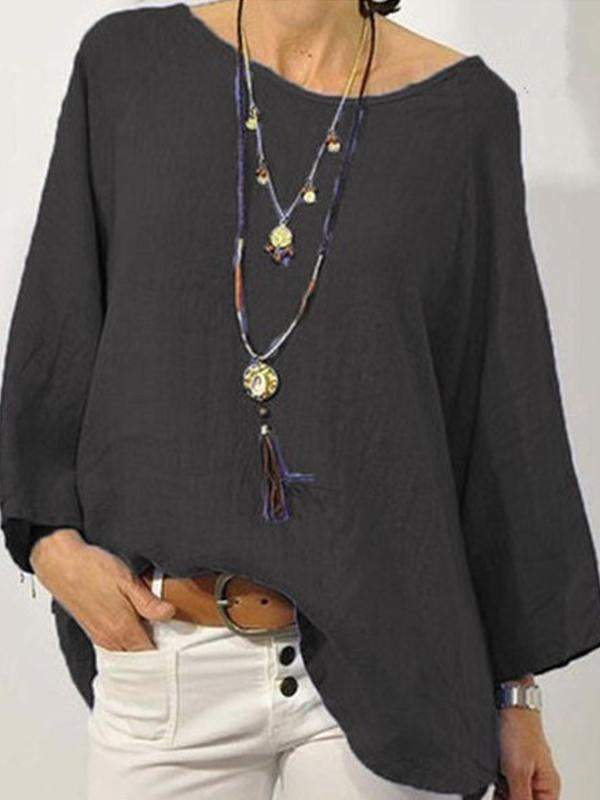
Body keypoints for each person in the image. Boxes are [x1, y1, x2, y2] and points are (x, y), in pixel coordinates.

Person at [2, 1, 599, 798]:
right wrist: (52, 547)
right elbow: (58, 321)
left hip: (395, 666)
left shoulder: (465, 114)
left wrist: (516, 697)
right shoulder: (128, 66)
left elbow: (496, 404)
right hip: (170, 657)